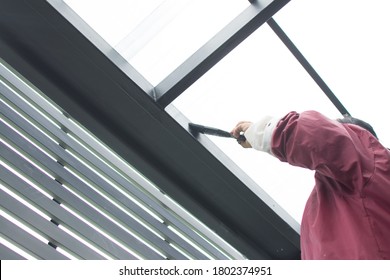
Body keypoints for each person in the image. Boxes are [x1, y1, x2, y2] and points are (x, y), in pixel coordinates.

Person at [231, 110, 390, 259]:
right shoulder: (350, 191)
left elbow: (321, 137)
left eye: (335, 127)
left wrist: (259, 132)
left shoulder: (369, 160)